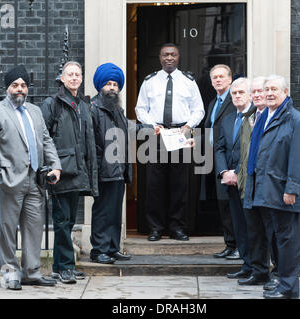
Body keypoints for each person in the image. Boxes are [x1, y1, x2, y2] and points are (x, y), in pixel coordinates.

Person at [0, 65, 62, 290]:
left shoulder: (35, 111)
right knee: (7, 228)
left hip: (34, 180)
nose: (20, 89)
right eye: (15, 85)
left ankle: (32, 271)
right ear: (7, 87)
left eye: (23, 85)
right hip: (8, 180)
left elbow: (46, 140)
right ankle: (10, 272)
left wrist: (56, 165)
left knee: (33, 227)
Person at [244, 75, 300, 299]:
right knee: (278, 240)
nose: (270, 93)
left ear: (285, 92)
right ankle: (282, 281)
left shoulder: (296, 120)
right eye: (267, 89)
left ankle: (288, 288)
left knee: (289, 242)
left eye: (275, 89)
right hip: (268, 190)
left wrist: (292, 189)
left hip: (284, 192)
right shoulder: (267, 116)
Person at [89, 63, 160, 263]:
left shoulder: (118, 110)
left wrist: (149, 128)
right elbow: (91, 141)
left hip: (119, 168)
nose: (112, 87)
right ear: (100, 87)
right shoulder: (93, 109)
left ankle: (112, 248)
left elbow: (129, 129)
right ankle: (99, 250)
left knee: (115, 211)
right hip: (104, 169)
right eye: (108, 84)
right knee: (103, 210)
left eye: (115, 84)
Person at [135, 43, 205, 241]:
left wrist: (188, 127)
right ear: (160, 58)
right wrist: (151, 125)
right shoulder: (149, 82)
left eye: (173, 54)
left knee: (179, 183)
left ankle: (177, 227)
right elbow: (140, 109)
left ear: (178, 57)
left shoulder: (188, 82)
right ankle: (155, 228)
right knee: (154, 184)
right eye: (165, 54)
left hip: (180, 134)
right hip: (156, 134)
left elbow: (198, 109)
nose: (169, 58)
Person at [41, 61, 98, 283]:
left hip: (78, 170)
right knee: (62, 220)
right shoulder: (52, 103)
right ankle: (65, 267)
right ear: (62, 79)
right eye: (70, 75)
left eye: (77, 74)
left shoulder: (83, 104)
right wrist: (50, 166)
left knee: (69, 220)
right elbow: (43, 138)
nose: (74, 78)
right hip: (61, 171)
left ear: (81, 78)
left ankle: (61, 266)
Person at [238, 77, 279, 289]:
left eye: (259, 91)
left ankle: (278, 273)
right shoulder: (249, 118)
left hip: (268, 185)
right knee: (254, 232)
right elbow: (245, 153)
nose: (256, 95)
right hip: (250, 184)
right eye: (253, 92)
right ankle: (259, 271)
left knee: (272, 231)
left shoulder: (275, 117)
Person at [215, 77, 254, 281]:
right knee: (239, 226)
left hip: (248, 182)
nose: (237, 96)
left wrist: (237, 173)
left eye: (241, 93)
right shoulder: (229, 119)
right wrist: (223, 172)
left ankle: (257, 267)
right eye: (234, 93)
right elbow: (220, 148)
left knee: (252, 227)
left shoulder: (256, 117)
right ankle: (246, 266)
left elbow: (253, 151)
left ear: (249, 95)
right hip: (229, 182)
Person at [202, 64, 239, 260]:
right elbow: (211, 132)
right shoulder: (212, 103)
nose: (218, 80)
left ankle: (240, 246)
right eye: (214, 77)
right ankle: (230, 244)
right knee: (223, 205)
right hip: (217, 160)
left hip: (231, 160)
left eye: (222, 77)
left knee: (234, 206)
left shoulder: (234, 101)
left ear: (230, 79)